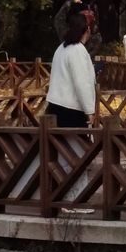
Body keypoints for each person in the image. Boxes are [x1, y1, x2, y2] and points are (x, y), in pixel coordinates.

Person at [46, 14, 96, 212]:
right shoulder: (77, 51)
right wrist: (90, 110)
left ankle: (61, 197)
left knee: (61, 156)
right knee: (77, 156)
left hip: (55, 106)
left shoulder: (62, 48)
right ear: (87, 30)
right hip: (71, 109)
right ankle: (75, 200)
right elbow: (82, 83)